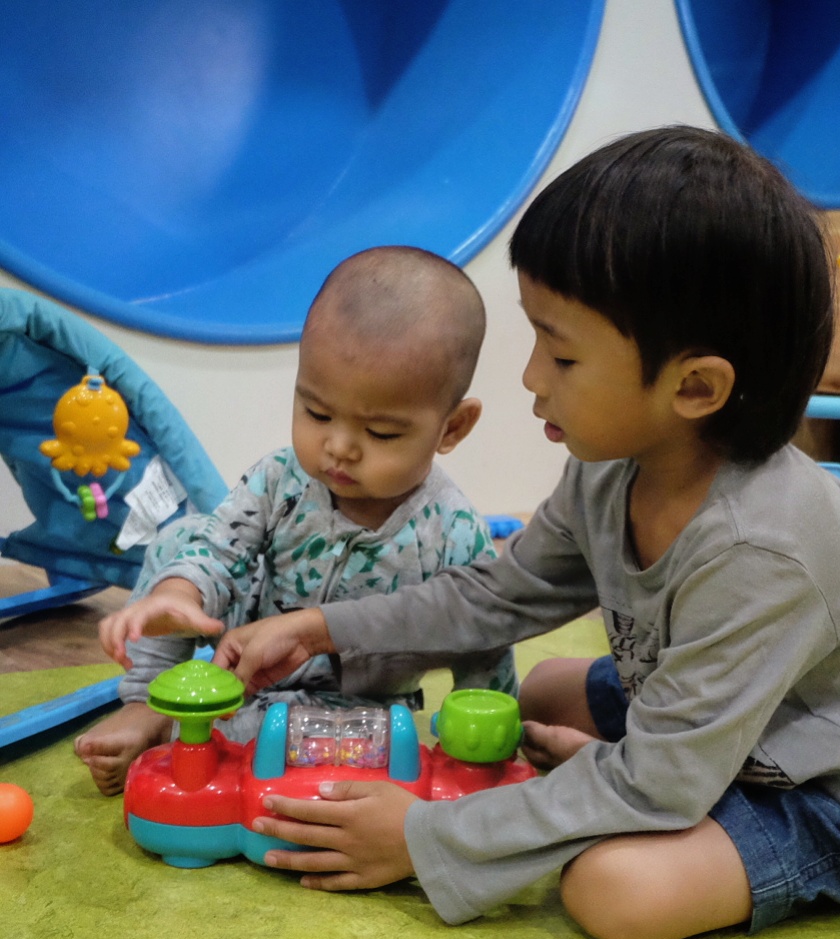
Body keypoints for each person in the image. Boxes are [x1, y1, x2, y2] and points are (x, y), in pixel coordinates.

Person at [210, 127, 840, 939]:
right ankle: (638, 775)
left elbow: (660, 785)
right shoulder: (611, 467)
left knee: (613, 890)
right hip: (720, 726)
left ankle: (678, 802)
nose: (531, 377)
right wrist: (321, 628)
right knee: (536, 696)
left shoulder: (764, 552)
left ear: (695, 387)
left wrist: (429, 835)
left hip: (834, 786)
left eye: (562, 356)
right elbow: (497, 597)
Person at [75, 246, 517, 796]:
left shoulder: (453, 532)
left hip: (355, 707)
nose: (339, 447)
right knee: (181, 540)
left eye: (380, 433)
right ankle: (151, 702)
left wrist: (486, 751)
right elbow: (219, 551)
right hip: (242, 662)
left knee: (310, 746)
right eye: (316, 412)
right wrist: (179, 594)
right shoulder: (279, 479)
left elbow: (485, 640)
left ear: (452, 428)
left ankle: (194, 731)